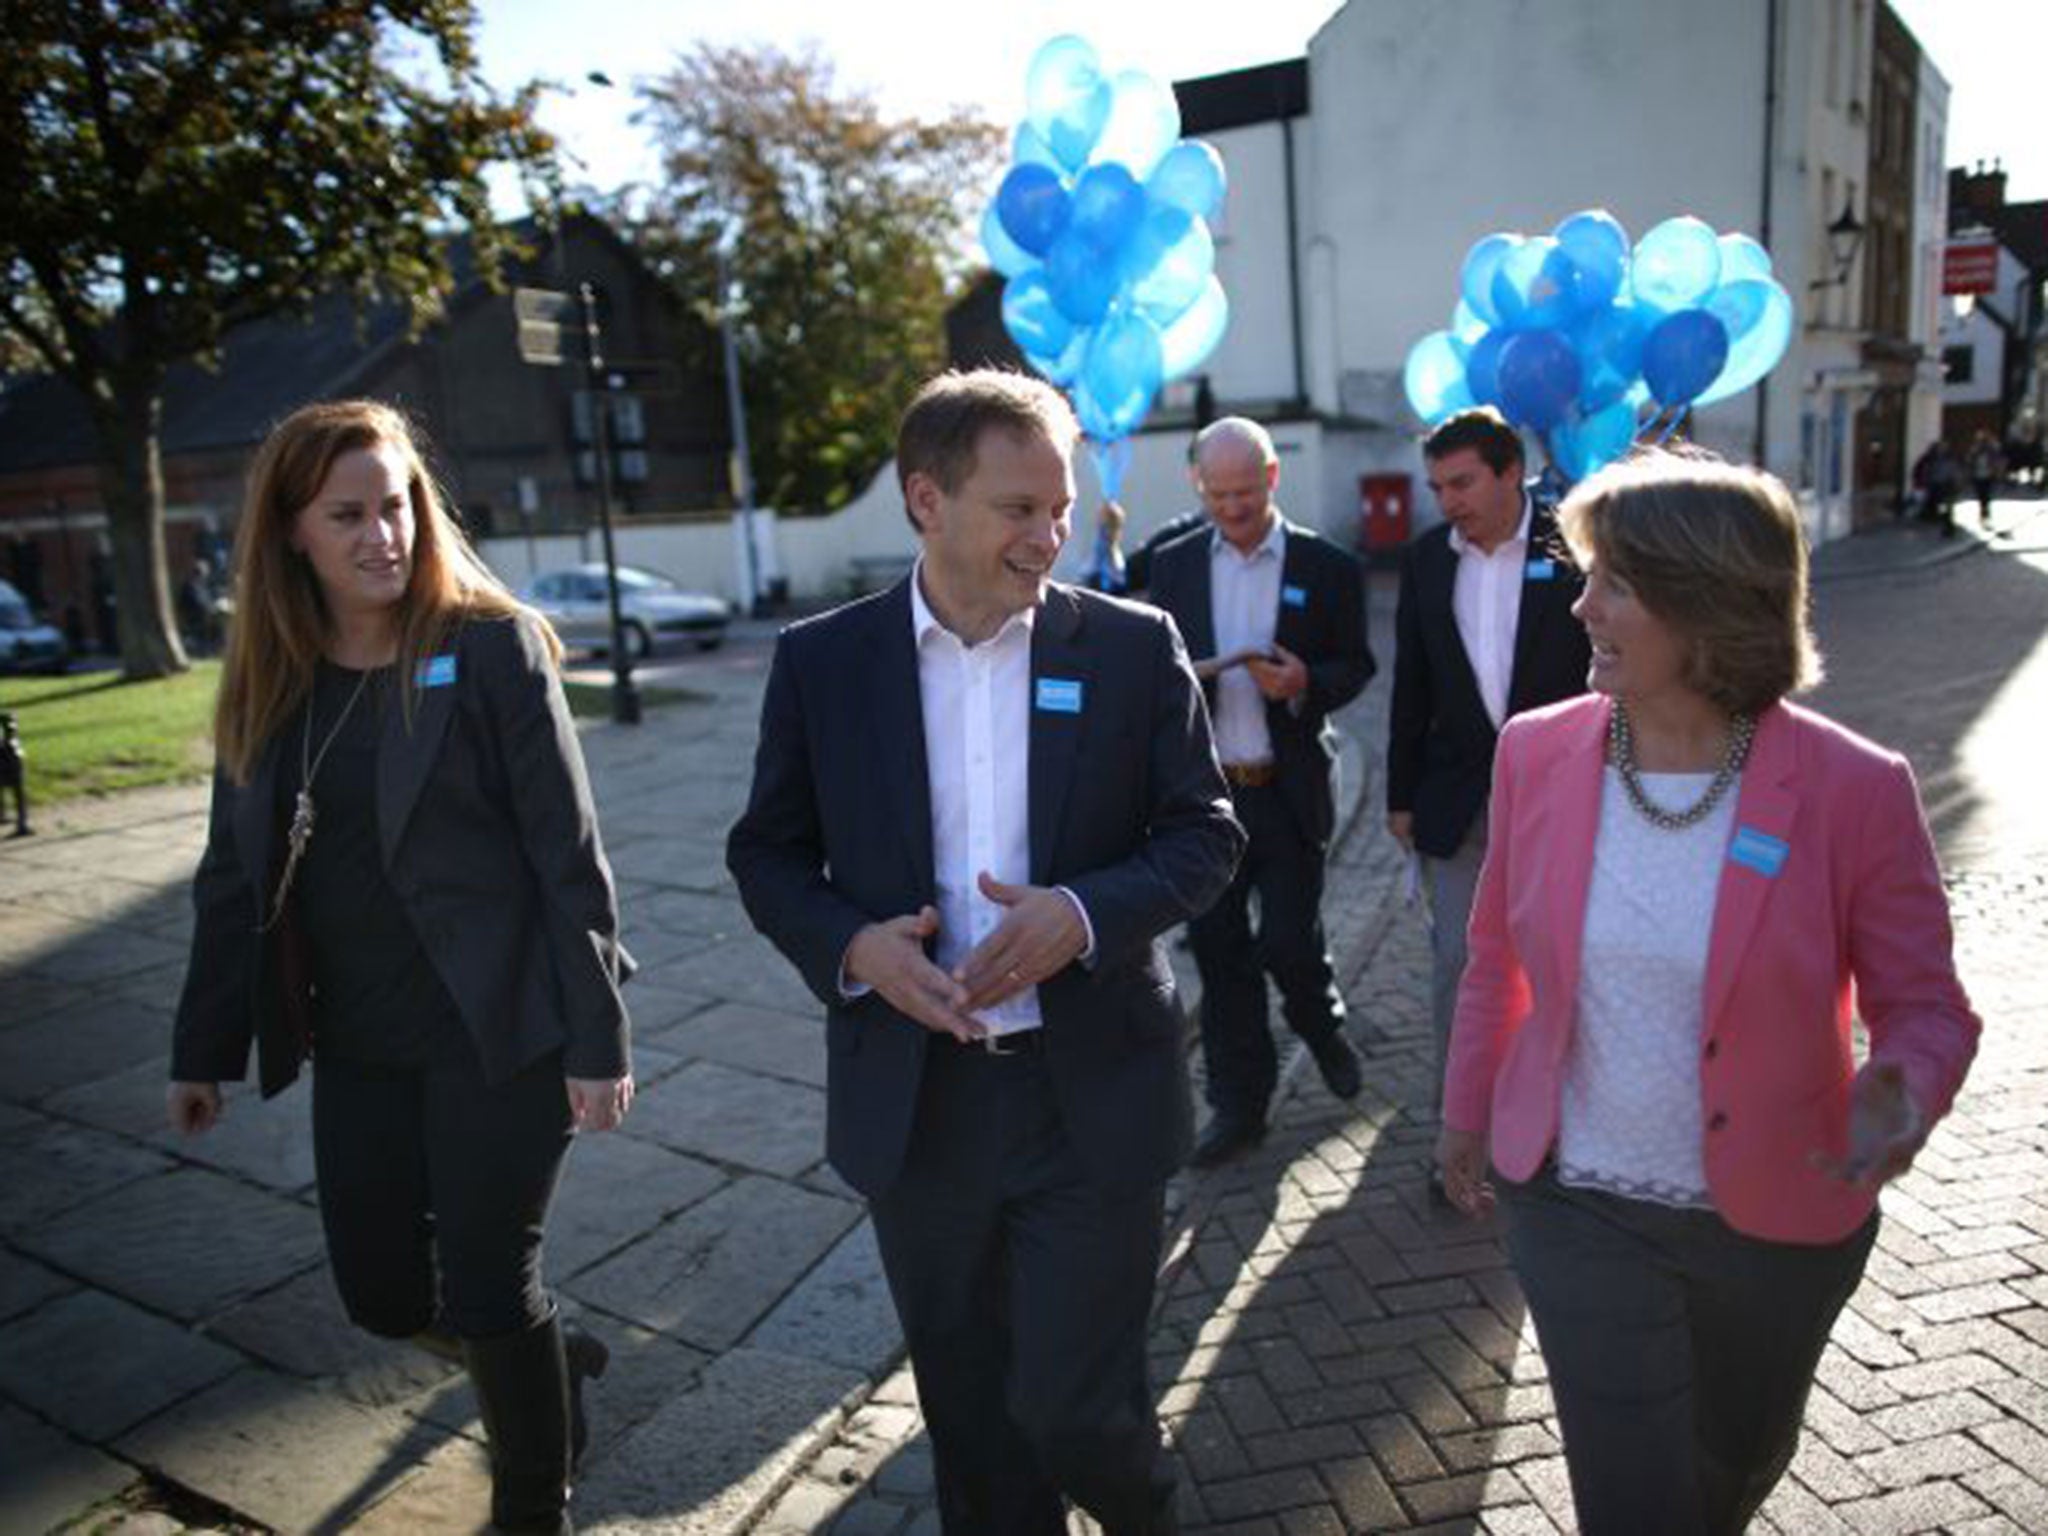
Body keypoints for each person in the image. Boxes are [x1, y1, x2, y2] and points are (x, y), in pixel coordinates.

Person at [727, 369, 1242, 1536]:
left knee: (1074, 1411)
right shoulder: (824, 661)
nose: (1049, 534)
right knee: (972, 1432)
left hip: (1090, 1096)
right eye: (1018, 508)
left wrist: (1083, 911)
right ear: (925, 499)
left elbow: (1205, 835)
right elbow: (766, 853)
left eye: (1057, 506)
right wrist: (852, 946)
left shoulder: (1128, 645)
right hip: (920, 1114)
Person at [1435, 449, 1980, 1535]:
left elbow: (1924, 1006)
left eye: (1615, 584)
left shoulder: (1848, 788)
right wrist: (1462, 1113)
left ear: (1709, 605)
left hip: (1778, 1218)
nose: (1580, 604)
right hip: (1575, 1198)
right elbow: (1494, 950)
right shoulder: (1535, 753)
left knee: (1736, 1459)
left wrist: (1898, 1092)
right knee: (1632, 1500)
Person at [168, 399, 634, 1535]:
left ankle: (535, 1499)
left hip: (503, 1030)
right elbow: (232, 881)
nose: (384, 536)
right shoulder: (270, 688)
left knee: (487, 1278)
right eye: (349, 516)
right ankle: (539, 1358)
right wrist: (203, 1050)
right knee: (381, 1299)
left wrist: (598, 1039)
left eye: (397, 508)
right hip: (362, 1041)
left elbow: (565, 857)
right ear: (291, 533)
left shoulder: (487, 647)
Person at [1146, 417, 1375, 1167]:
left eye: (1245, 492)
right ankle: (1239, 1106)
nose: (1233, 508)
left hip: (1287, 790)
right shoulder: (1173, 564)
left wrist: (1308, 681)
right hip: (1206, 802)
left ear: (1273, 479)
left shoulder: (1328, 565)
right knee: (1219, 953)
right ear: (1197, 486)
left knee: (1286, 938)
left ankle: (1319, 1017)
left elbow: (1357, 664)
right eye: (1218, 494)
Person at [1387, 409, 1588, 1197]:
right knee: (1459, 964)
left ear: (1513, 472)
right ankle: (1463, 1125)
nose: (1449, 501)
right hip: (1459, 800)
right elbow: (1413, 683)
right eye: (1438, 486)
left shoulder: (1572, 545)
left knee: (1564, 961)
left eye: (1463, 482)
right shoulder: (1426, 562)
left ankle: (1561, 1119)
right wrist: (1400, 795)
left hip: (1566, 795)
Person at [1968, 429, 2005, 527]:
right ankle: (1984, 513)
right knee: (1981, 496)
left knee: (1986, 496)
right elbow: (1969, 460)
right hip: (1977, 476)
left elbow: (1997, 460)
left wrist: (1997, 472)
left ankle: (1984, 514)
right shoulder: (1975, 450)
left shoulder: (1991, 450)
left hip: (1988, 476)